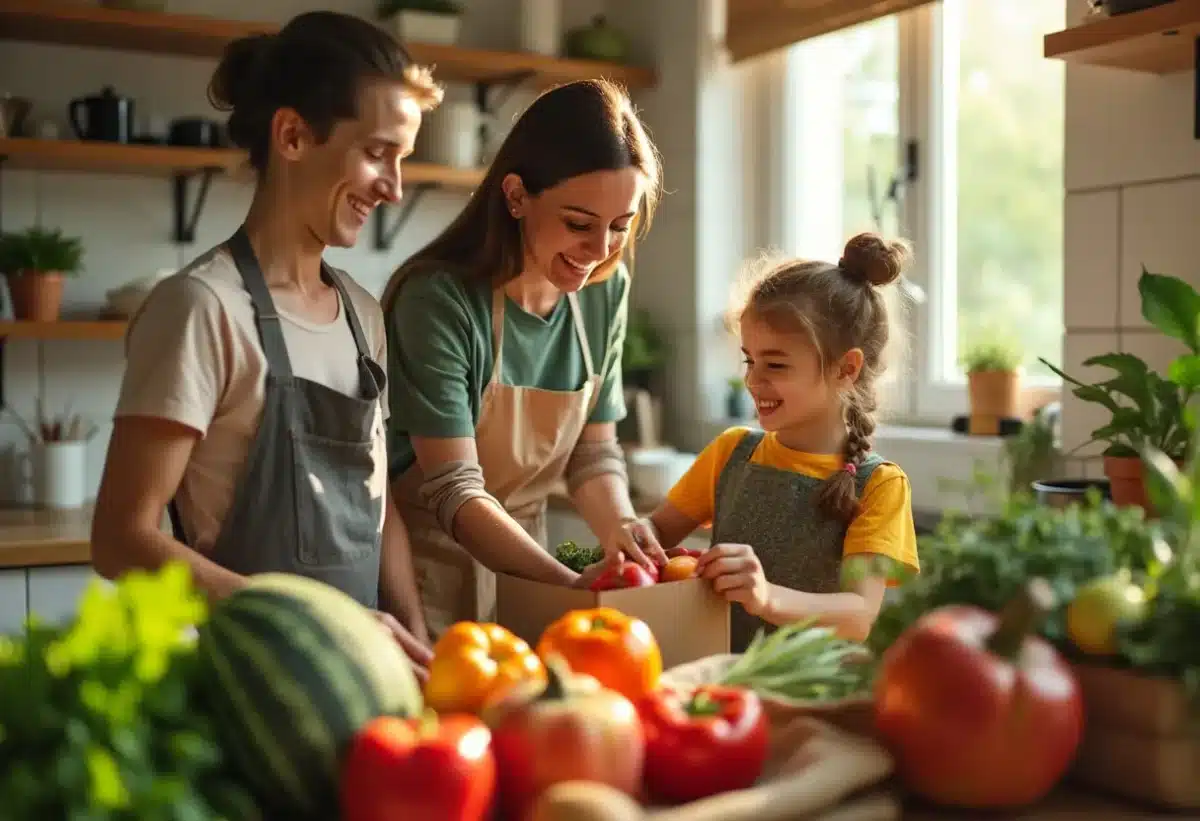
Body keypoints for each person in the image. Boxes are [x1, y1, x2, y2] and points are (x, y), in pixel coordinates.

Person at [90, 11, 441, 674]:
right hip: (248, 687)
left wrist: (418, 649)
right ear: (292, 135)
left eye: (403, 160)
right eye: (376, 153)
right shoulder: (199, 309)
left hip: (367, 679)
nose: (394, 188)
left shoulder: (363, 318)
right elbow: (120, 539)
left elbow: (375, 503)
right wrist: (314, 622)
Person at [381, 79, 668, 637]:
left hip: (528, 574)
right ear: (515, 196)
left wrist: (622, 529)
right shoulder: (436, 299)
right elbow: (454, 488)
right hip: (423, 580)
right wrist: (566, 586)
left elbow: (594, 454)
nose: (599, 251)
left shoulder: (605, 290)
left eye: (620, 226)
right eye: (579, 224)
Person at [610, 234, 921, 651]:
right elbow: (658, 532)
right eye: (749, 359)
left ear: (846, 368)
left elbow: (858, 616)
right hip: (721, 678)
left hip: (805, 693)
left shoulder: (880, 486)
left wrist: (766, 596)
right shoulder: (731, 452)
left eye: (775, 364)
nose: (753, 380)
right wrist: (639, 532)